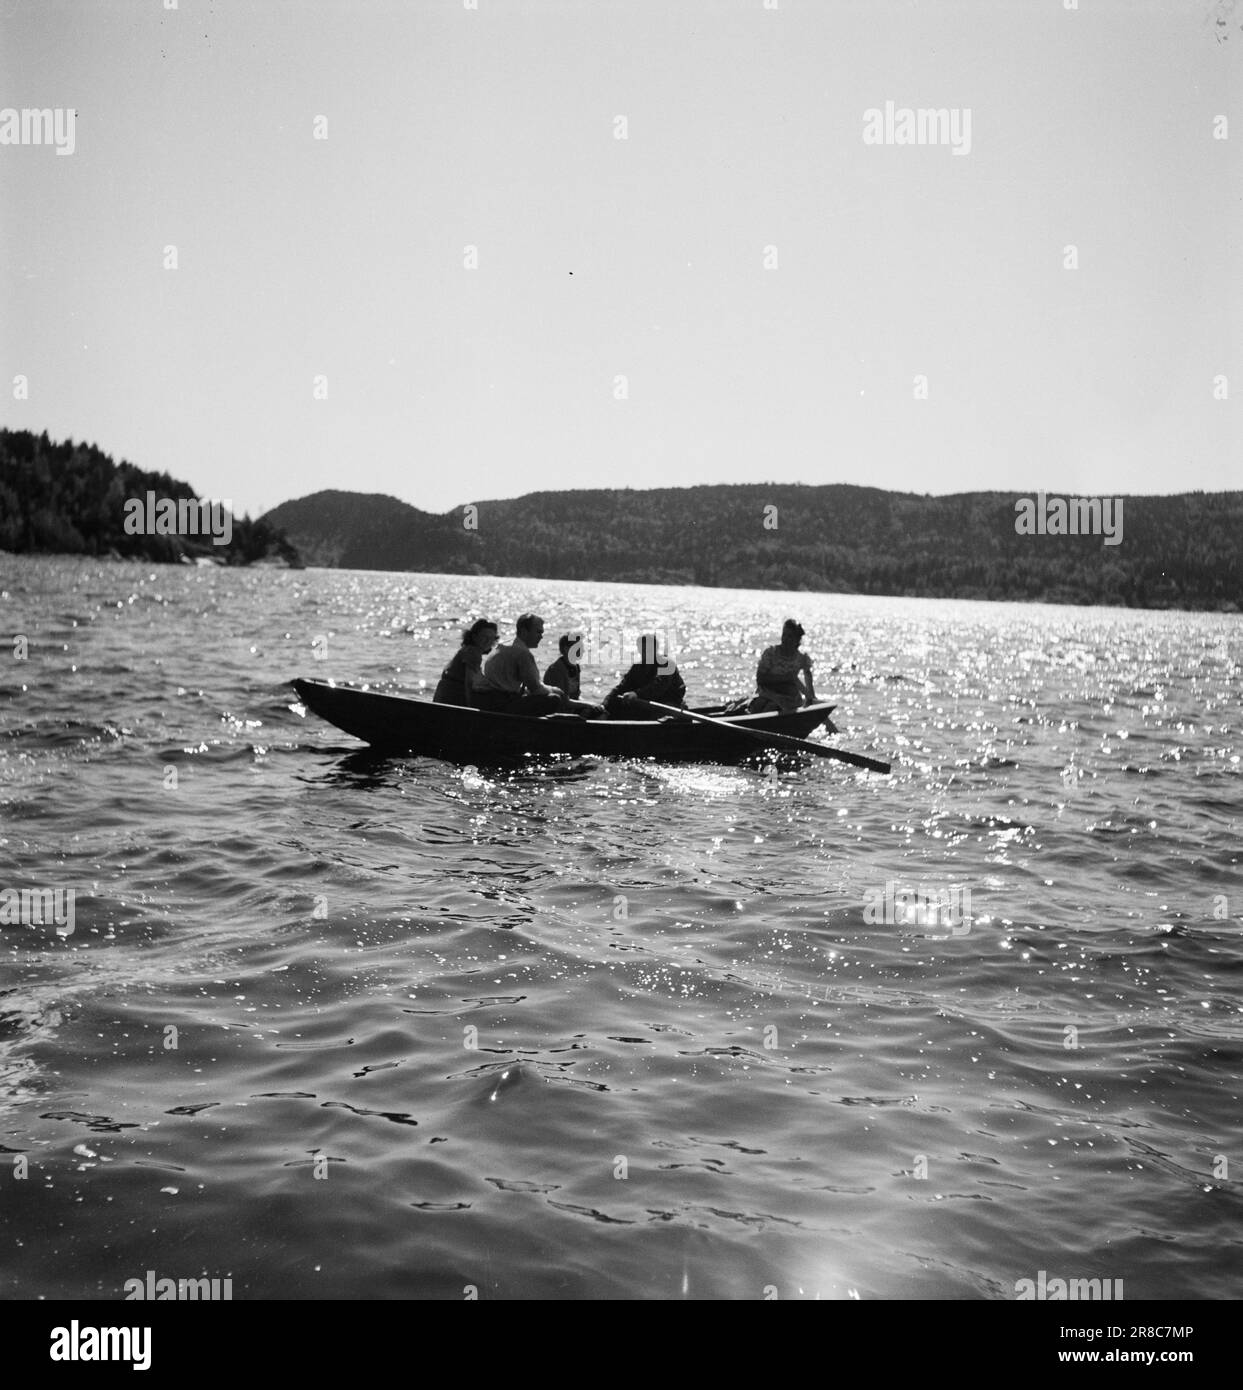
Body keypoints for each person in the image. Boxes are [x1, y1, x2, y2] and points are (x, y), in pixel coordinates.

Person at [472, 613, 569, 716]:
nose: (541, 637)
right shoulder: (522, 653)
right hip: (498, 704)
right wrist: (556, 690)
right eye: (538, 632)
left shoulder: (503, 645)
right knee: (554, 699)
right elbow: (535, 688)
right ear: (524, 631)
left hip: (482, 699)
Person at [604, 633, 686, 718]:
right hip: (646, 705)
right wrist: (604, 704)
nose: (645, 653)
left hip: (670, 706)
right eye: (642, 650)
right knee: (614, 706)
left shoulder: (667, 664)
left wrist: (636, 694)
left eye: (648, 650)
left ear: (655, 649)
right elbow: (621, 688)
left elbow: (658, 686)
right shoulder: (637, 668)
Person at [751, 619, 816, 713]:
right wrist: (784, 678)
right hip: (768, 694)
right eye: (784, 635)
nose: (785, 639)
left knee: (787, 706)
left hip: (790, 698)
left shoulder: (801, 658)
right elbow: (760, 679)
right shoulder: (771, 653)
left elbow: (807, 676)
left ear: (796, 639)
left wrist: (811, 698)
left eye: (790, 636)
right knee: (768, 707)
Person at [433, 618, 498, 706]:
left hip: (443, 694)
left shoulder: (467, 649)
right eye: (484, 637)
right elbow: (469, 683)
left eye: (491, 638)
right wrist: (470, 706)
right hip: (452, 697)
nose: (488, 641)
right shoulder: (473, 652)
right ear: (475, 637)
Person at [543, 633, 583, 700]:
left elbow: (577, 696)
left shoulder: (576, 667)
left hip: (572, 705)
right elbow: (564, 701)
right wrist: (590, 705)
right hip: (558, 707)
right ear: (566, 649)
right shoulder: (557, 669)